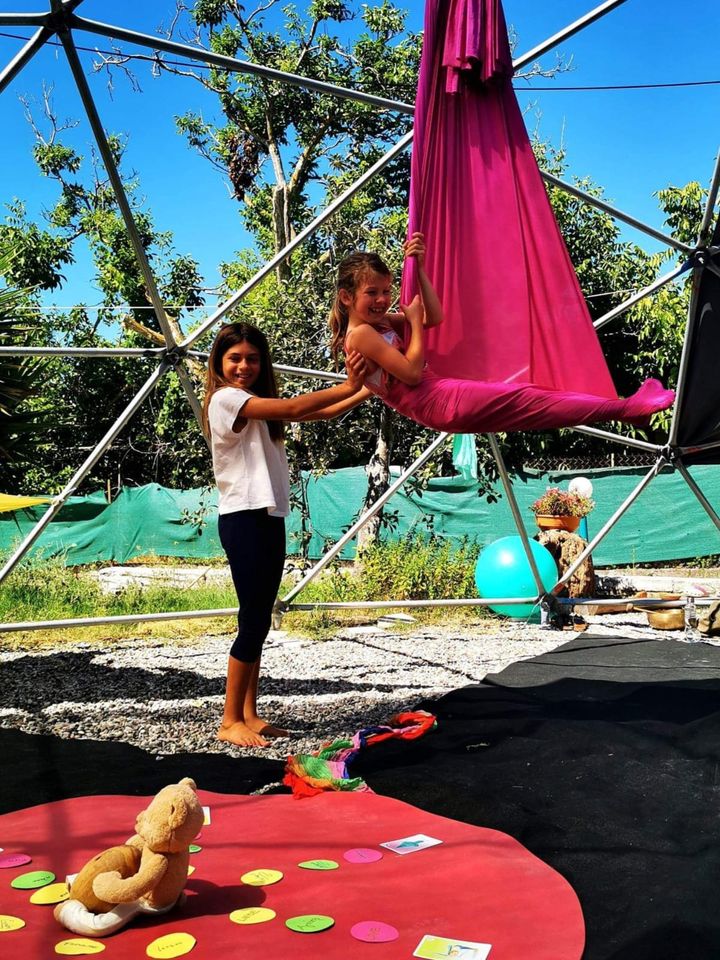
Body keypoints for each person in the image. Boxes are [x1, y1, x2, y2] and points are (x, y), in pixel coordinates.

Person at [203, 322, 369, 748]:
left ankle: (249, 713)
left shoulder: (256, 407)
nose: (244, 366)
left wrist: (374, 389)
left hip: (266, 516)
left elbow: (323, 411)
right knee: (252, 618)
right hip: (243, 518)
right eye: (235, 358)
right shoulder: (225, 400)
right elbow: (297, 408)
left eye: (252, 358)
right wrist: (351, 380)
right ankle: (228, 720)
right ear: (219, 363)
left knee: (259, 618)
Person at [329, 233, 675, 434]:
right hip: (436, 400)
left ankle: (626, 410)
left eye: (386, 291)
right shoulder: (359, 336)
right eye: (372, 293)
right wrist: (414, 323)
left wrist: (418, 268)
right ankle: (626, 409)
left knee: (532, 398)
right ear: (347, 297)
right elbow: (413, 373)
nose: (381, 300)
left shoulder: (379, 325)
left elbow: (434, 316)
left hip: (440, 401)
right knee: (528, 400)